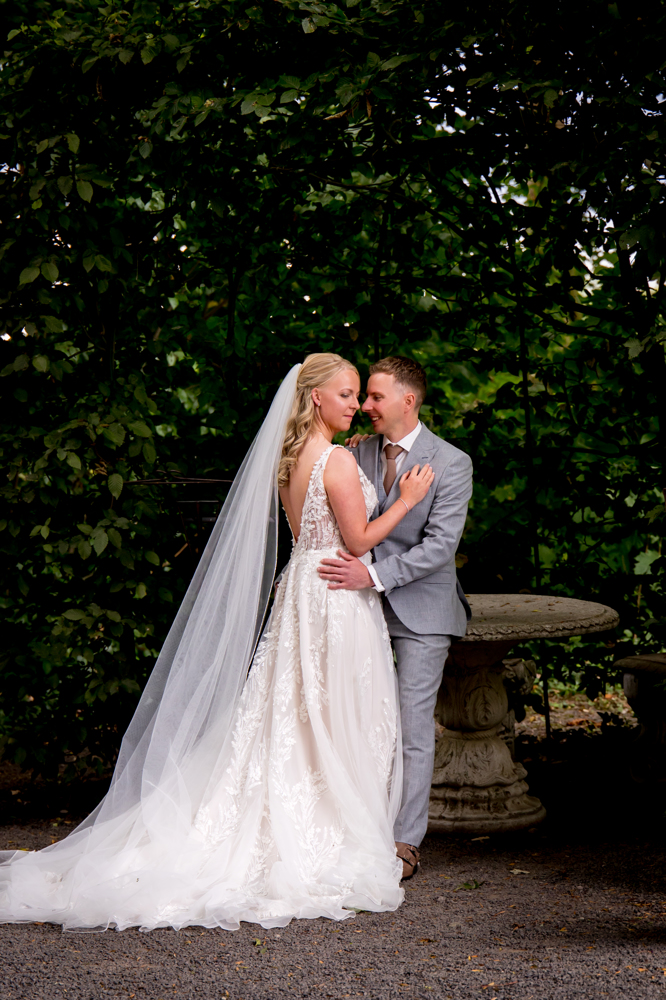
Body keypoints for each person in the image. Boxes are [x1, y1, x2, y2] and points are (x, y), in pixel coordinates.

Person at [0, 354, 434, 932]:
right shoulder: (333, 460)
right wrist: (404, 501)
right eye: (348, 394)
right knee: (336, 714)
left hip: (302, 585)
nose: (357, 405)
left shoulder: (290, 460)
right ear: (316, 400)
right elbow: (356, 542)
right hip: (335, 595)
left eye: (359, 396)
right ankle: (330, 829)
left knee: (295, 712)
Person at [317, 356, 473, 881]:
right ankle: (352, 828)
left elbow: (439, 549)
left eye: (376, 397)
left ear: (409, 400)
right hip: (353, 608)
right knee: (354, 716)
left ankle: (404, 842)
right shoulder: (352, 452)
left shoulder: (451, 463)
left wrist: (373, 576)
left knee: (410, 726)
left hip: (422, 610)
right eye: (363, 397)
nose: (365, 406)